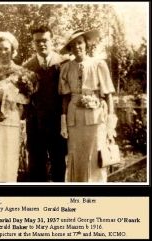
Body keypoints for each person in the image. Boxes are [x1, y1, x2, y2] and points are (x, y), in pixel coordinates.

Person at [59, 29, 116, 182]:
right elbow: (65, 97)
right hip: (74, 119)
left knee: (95, 154)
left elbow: (108, 95)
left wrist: (111, 123)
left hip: (95, 117)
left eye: (80, 43)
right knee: (75, 155)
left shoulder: (99, 64)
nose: (77, 47)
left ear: (86, 44)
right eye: (73, 45)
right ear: (70, 48)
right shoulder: (65, 68)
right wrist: (63, 123)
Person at [0, 32, 36, 182]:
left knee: (8, 156)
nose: (3, 52)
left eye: (6, 49)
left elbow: (26, 98)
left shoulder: (21, 71)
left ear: (12, 50)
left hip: (10, 115)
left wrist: (6, 95)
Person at [23, 25, 68, 182]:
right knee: (36, 165)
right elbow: (24, 99)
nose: (41, 44)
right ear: (33, 43)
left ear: (52, 41)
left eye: (45, 40)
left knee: (59, 163)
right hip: (35, 124)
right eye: (37, 41)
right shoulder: (27, 67)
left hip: (58, 123)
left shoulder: (64, 63)